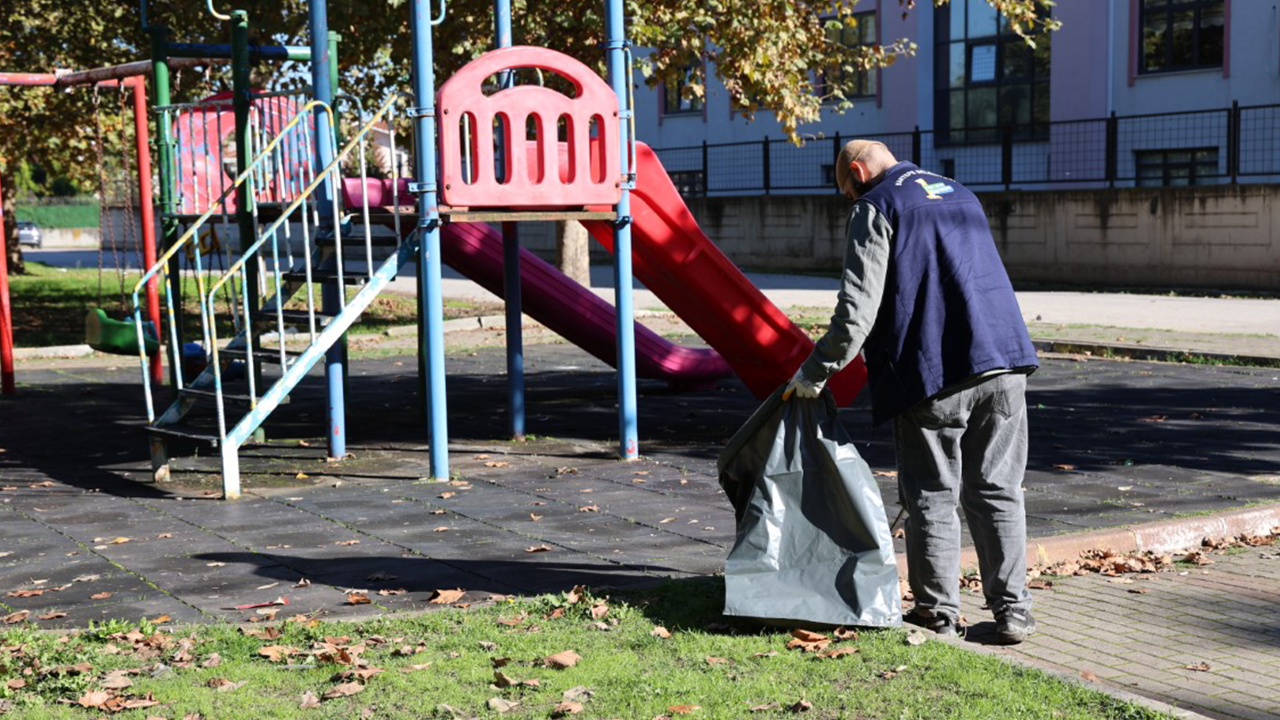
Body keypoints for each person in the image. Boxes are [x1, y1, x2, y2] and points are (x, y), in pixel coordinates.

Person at [785, 140, 1040, 644]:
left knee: (931, 496)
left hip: (934, 373)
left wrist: (813, 374)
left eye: (846, 190)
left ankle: (937, 612)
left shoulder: (876, 205)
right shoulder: (959, 192)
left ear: (858, 172)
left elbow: (855, 311)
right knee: (998, 491)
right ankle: (1014, 614)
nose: (849, 199)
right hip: (1005, 359)